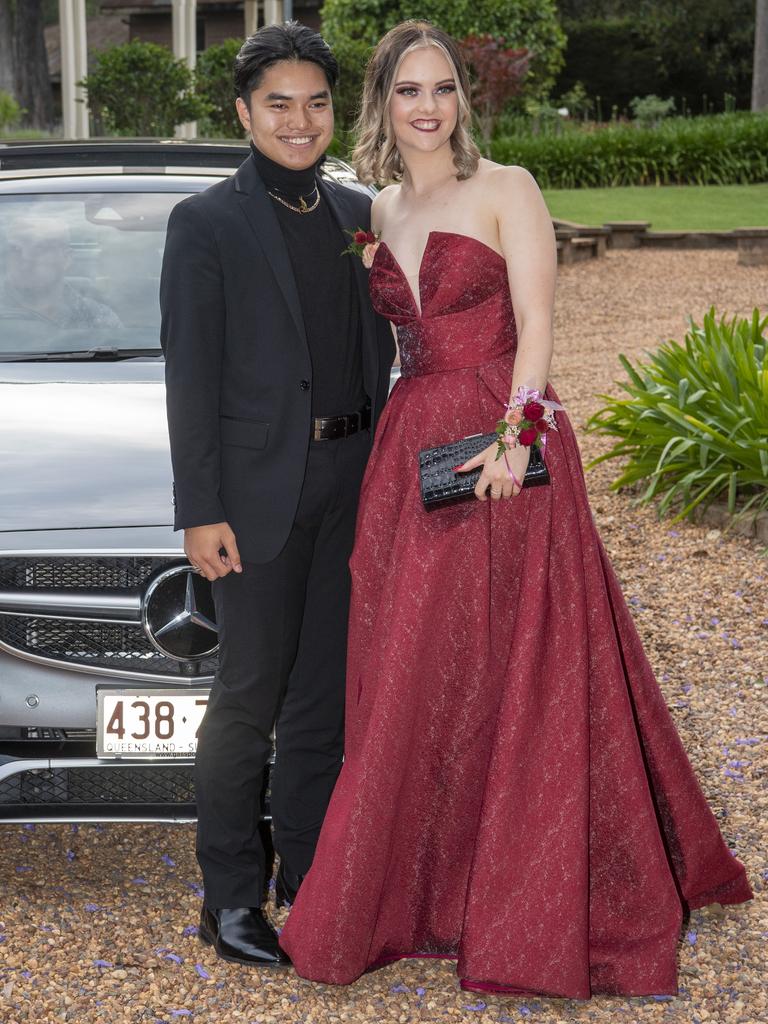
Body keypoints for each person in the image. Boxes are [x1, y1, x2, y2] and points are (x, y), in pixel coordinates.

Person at [279, 20, 752, 997]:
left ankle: (528, 896)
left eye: (442, 88)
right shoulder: (384, 209)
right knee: (420, 668)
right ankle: (425, 893)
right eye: (408, 90)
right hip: (412, 455)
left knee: (520, 664)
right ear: (384, 103)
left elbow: (538, 324)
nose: (426, 107)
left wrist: (518, 436)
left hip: (505, 448)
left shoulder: (510, 189)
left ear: (463, 98)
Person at [159, 22, 395, 969]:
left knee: (322, 701)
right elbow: (191, 375)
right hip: (253, 496)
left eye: (316, 102)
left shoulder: (357, 212)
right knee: (247, 698)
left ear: (335, 109)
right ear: (245, 113)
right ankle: (228, 900)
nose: (300, 121)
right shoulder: (207, 222)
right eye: (278, 104)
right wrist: (199, 507)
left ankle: (308, 872)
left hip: (354, 481)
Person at [1, 216, 121, 329]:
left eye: (41, 248)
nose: (26, 259)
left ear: (66, 259)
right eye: (15, 249)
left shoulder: (97, 319)